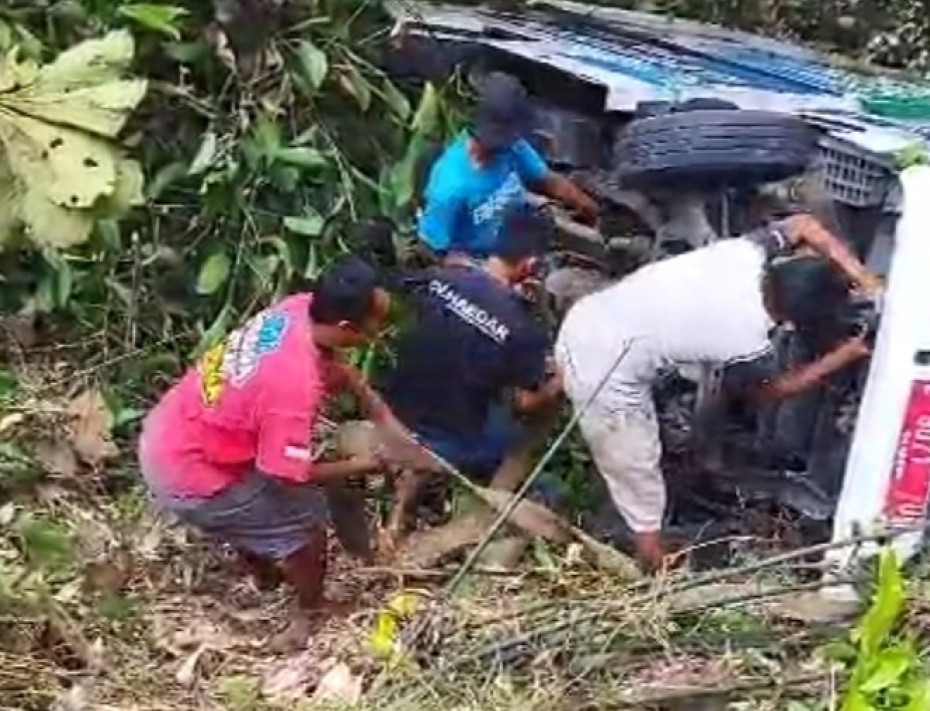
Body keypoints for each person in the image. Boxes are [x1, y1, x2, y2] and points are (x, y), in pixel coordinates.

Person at [554, 212, 884, 571]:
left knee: (598, 369)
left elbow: (804, 223)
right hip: (604, 372)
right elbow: (771, 392)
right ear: (791, 321)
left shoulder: (744, 256)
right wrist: (845, 354)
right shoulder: (744, 338)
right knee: (637, 474)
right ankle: (653, 562)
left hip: (592, 314)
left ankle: (568, 385)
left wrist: (863, 279)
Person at [136, 255, 428, 646]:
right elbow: (287, 473)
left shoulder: (296, 310)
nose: (381, 328)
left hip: (172, 428)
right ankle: (309, 613)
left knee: (267, 503)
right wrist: (366, 462)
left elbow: (339, 372)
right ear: (345, 327)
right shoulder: (293, 388)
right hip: (186, 473)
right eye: (376, 322)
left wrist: (381, 415)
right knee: (306, 524)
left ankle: (263, 566)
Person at [372, 204, 563, 547]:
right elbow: (526, 402)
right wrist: (562, 381)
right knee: (533, 430)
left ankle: (402, 505)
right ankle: (492, 496)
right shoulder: (521, 326)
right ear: (532, 265)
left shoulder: (437, 279)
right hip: (452, 437)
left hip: (395, 414)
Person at [418, 71, 598, 263]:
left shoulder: (512, 147)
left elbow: (546, 180)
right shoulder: (450, 188)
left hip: (519, 238)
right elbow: (433, 250)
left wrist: (584, 204)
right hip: (481, 262)